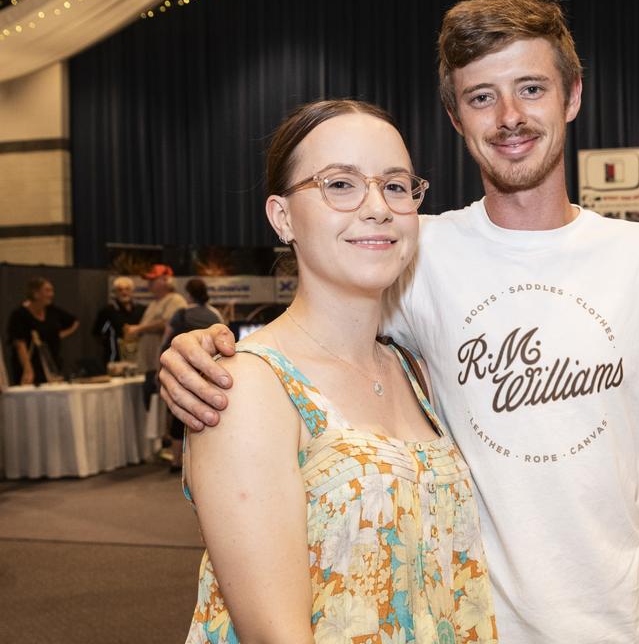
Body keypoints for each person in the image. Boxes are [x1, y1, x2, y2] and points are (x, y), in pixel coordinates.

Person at [162, 0, 639, 644]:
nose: (509, 116)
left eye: (531, 88)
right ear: (456, 116)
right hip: (475, 626)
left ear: (573, 96)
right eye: (482, 97)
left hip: (627, 625)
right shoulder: (412, 248)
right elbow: (314, 325)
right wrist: (199, 347)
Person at [182, 99, 496, 643]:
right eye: (341, 185)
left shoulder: (412, 370)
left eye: (396, 186)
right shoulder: (249, 388)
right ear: (283, 217)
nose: (377, 207)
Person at [160, 279, 224, 472]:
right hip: (210, 372)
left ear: (188, 294)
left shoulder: (181, 314)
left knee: (179, 415)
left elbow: (166, 341)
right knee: (208, 413)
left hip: (183, 370)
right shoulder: (215, 314)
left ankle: (176, 460)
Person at [125, 264, 187, 416]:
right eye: (149, 280)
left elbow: (168, 323)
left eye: (153, 280)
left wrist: (138, 329)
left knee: (162, 412)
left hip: (163, 366)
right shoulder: (154, 303)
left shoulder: (175, 300)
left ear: (166, 280)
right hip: (150, 366)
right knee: (151, 411)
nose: (149, 284)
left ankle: (166, 439)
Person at [7, 277, 79, 385]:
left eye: (52, 291)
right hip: (32, 365)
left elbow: (74, 321)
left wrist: (60, 335)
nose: (51, 294)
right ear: (35, 293)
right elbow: (19, 344)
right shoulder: (19, 314)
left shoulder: (52, 310)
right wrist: (28, 369)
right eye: (47, 290)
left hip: (52, 364)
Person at [92, 276, 143, 365]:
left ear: (132, 291)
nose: (124, 292)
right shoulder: (107, 311)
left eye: (127, 289)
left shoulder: (141, 310)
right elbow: (97, 334)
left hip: (138, 359)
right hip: (114, 360)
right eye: (120, 290)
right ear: (115, 292)